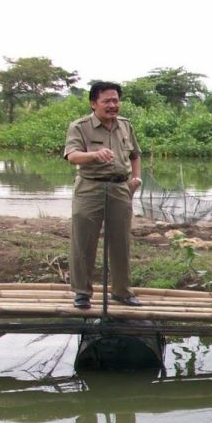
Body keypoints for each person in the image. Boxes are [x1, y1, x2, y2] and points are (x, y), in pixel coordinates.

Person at [63, 82, 142, 309]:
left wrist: (136, 179)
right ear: (93, 103)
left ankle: (122, 292)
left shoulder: (125, 125)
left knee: (121, 242)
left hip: (119, 189)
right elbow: (72, 156)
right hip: (89, 189)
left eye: (115, 100)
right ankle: (82, 293)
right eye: (106, 101)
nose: (112, 105)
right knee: (83, 242)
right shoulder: (80, 126)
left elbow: (135, 155)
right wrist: (94, 155)